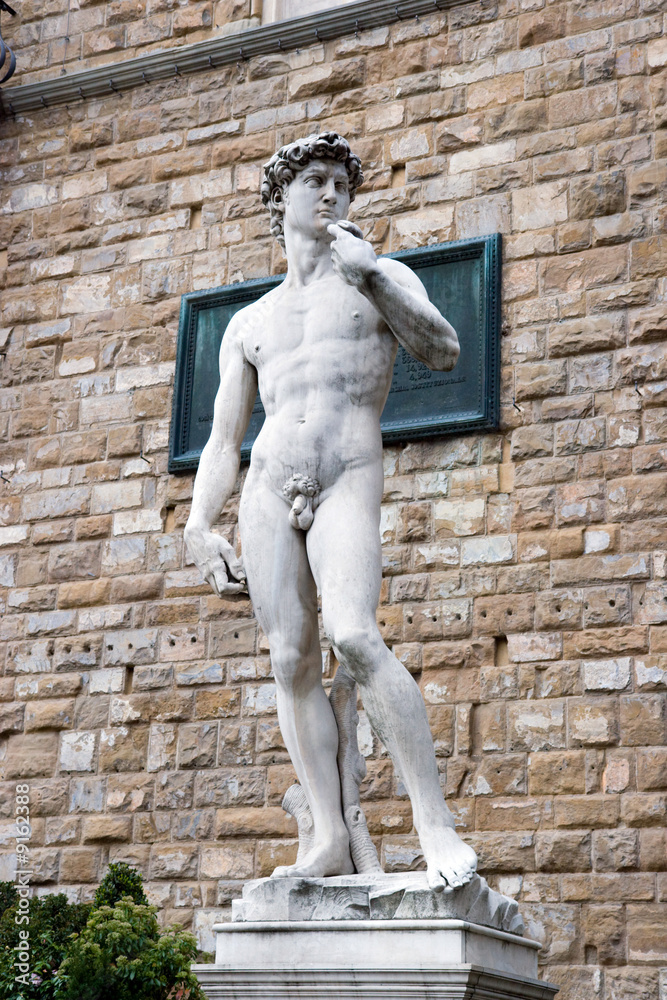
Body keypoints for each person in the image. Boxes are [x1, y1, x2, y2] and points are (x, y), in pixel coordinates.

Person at [184, 132, 478, 891]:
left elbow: (443, 350)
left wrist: (372, 276)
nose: (331, 194)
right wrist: (198, 525)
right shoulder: (250, 323)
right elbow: (222, 439)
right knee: (289, 660)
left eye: (341, 185)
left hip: (346, 472)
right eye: (314, 180)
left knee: (352, 635)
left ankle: (433, 821)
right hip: (266, 487)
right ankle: (328, 834)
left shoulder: (378, 276)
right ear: (280, 198)